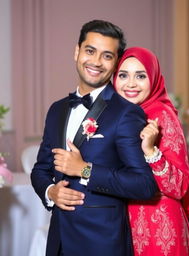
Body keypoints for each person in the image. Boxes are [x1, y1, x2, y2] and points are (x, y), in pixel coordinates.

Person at [31, 20, 157, 256]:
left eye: (107, 56)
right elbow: (40, 169)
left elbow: (144, 185)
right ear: (77, 51)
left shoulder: (126, 113)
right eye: (90, 51)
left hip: (102, 243)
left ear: (115, 62)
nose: (96, 62)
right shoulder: (56, 110)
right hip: (58, 242)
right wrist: (50, 192)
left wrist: (85, 170)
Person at [113, 47, 189, 255]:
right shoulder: (117, 116)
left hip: (160, 225)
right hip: (126, 223)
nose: (131, 83)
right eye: (123, 75)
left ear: (153, 79)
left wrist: (151, 151)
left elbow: (179, 186)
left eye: (141, 76)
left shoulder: (162, 115)